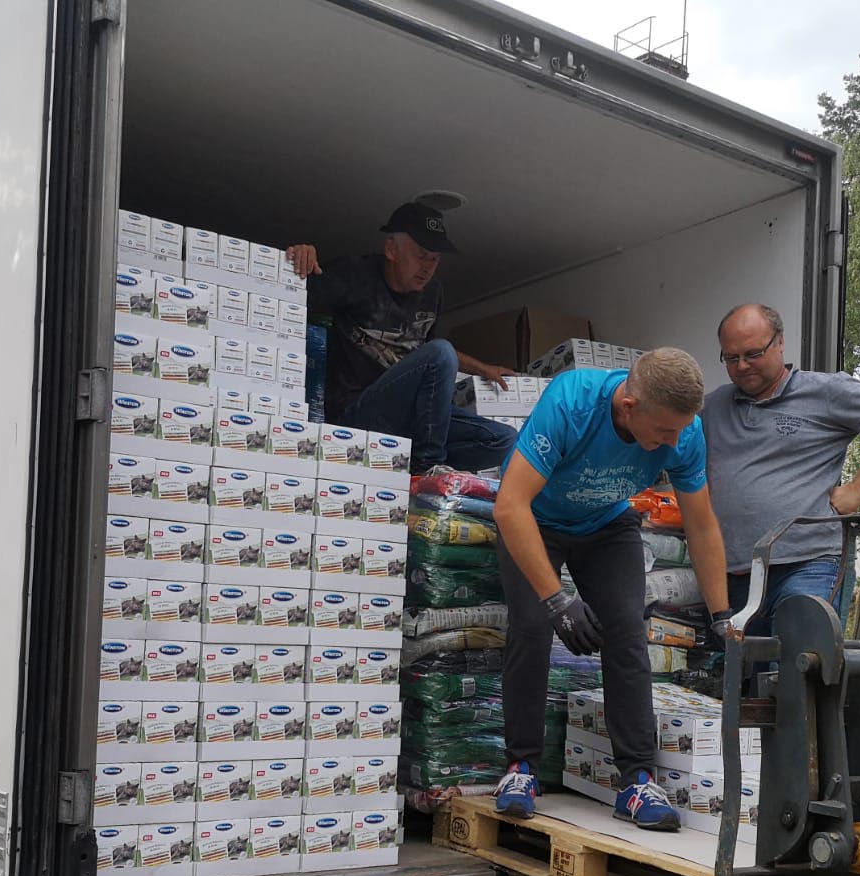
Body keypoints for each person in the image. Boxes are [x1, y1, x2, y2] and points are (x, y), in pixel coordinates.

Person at [491, 348, 731, 832]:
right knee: (533, 626)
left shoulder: (684, 432)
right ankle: (521, 767)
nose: (674, 442)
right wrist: (557, 600)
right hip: (535, 519)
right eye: (664, 431)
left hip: (606, 524)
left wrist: (723, 616)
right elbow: (509, 506)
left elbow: (702, 525)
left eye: (682, 429)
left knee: (627, 629)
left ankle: (637, 781)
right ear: (629, 407)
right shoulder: (572, 403)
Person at [702, 303, 860, 638]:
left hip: (809, 564)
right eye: (731, 358)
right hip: (735, 575)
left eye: (752, 354)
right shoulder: (714, 406)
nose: (742, 366)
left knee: (799, 661)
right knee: (743, 670)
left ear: (780, 342)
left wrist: (857, 490)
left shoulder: (825, 391)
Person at [286, 202, 517, 473]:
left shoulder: (433, 293)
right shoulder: (354, 275)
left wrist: (483, 369)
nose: (427, 268)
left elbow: (429, 350)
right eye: (421, 256)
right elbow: (289, 295)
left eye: (435, 259)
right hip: (357, 414)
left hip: (410, 419)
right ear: (391, 250)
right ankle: (426, 468)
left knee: (504, 440)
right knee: (441, 353)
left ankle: (409, 464)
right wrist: (301, 257)